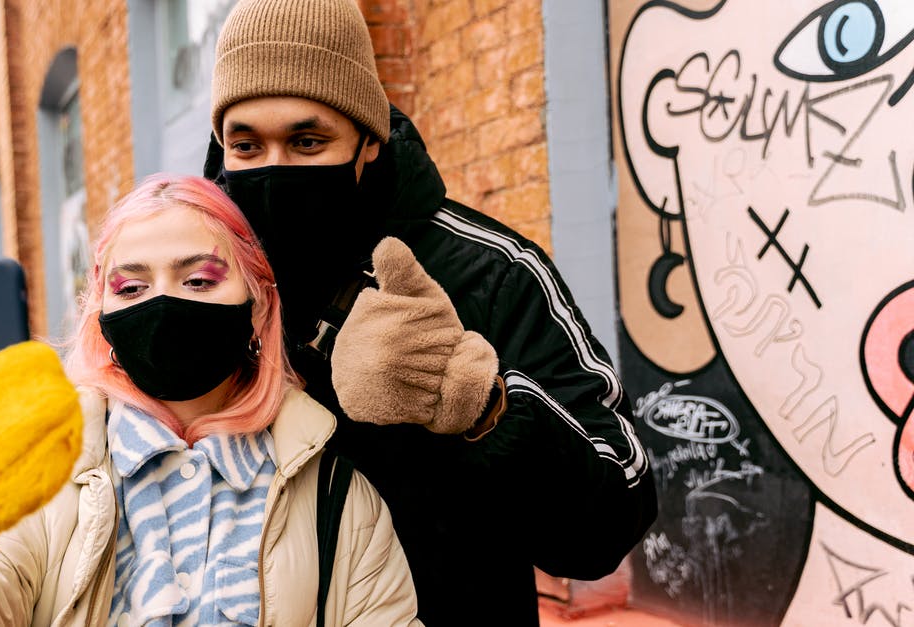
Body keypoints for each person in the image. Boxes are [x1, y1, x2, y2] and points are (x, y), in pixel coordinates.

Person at [202, 0, 659, 623]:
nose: (274, 170)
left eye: (308, 141)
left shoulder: (490, 272)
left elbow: (614, 515)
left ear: (368, 139)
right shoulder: (201, 276)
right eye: (246, 145)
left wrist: (484, 408)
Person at [0, 173, 422, 626]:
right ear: (101, 314)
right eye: (130, 285)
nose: (162, 304)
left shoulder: (338, 498)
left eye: (200, 279)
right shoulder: (46, 475)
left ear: (258, 301)